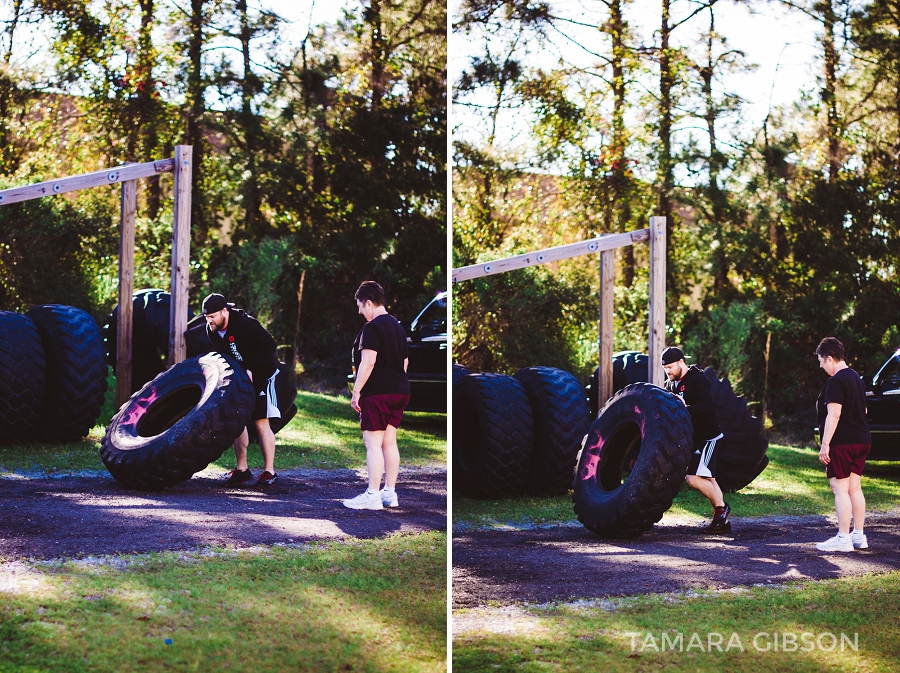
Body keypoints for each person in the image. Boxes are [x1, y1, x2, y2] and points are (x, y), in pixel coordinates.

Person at [201, 293, 281, 490]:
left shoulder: (247, 325)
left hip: (263, 374)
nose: (209, 321)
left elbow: (270, 345)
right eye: (206, 317)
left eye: (212, 316)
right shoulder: (212, 330)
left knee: (261, 422)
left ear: (224, 311)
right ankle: (242, 469)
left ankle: (269, 472)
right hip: (240, 379)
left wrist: (252, 368)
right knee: (237, 422)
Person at [344, 281, 410, 510]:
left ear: (369, 303)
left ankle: (372, 494)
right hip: (400, 391)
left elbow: (368, 361)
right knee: (389, 442)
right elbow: (405, 362)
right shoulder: (398, 326)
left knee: (372, 443)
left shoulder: (372, 328)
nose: (360, 312)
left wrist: (357, 392)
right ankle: (389, 494)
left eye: (360, 306)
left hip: (378, 393)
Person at [662, 346, 731, 534]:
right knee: (709, 477)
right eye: (665, 368)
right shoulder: (670, 384)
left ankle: (721, 509)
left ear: (681, 362)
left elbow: (707, 409)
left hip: (709, 437)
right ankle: (721, 522)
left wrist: (686, 407)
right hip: (693, 438)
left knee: (693, 478)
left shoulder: (698, 379)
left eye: (670, 367)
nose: (667, 372)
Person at [814, 337, 872, 552]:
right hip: (862, 440)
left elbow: (834, 414)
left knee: (839, 489)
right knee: (854, 488)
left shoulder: (836, 381)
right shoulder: (857, 378)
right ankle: (859, 536)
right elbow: (864, 411)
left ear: (830, 358)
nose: (821, 366)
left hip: (843, 442)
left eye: (821, 361)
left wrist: (825, 444)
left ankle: (843, 538)